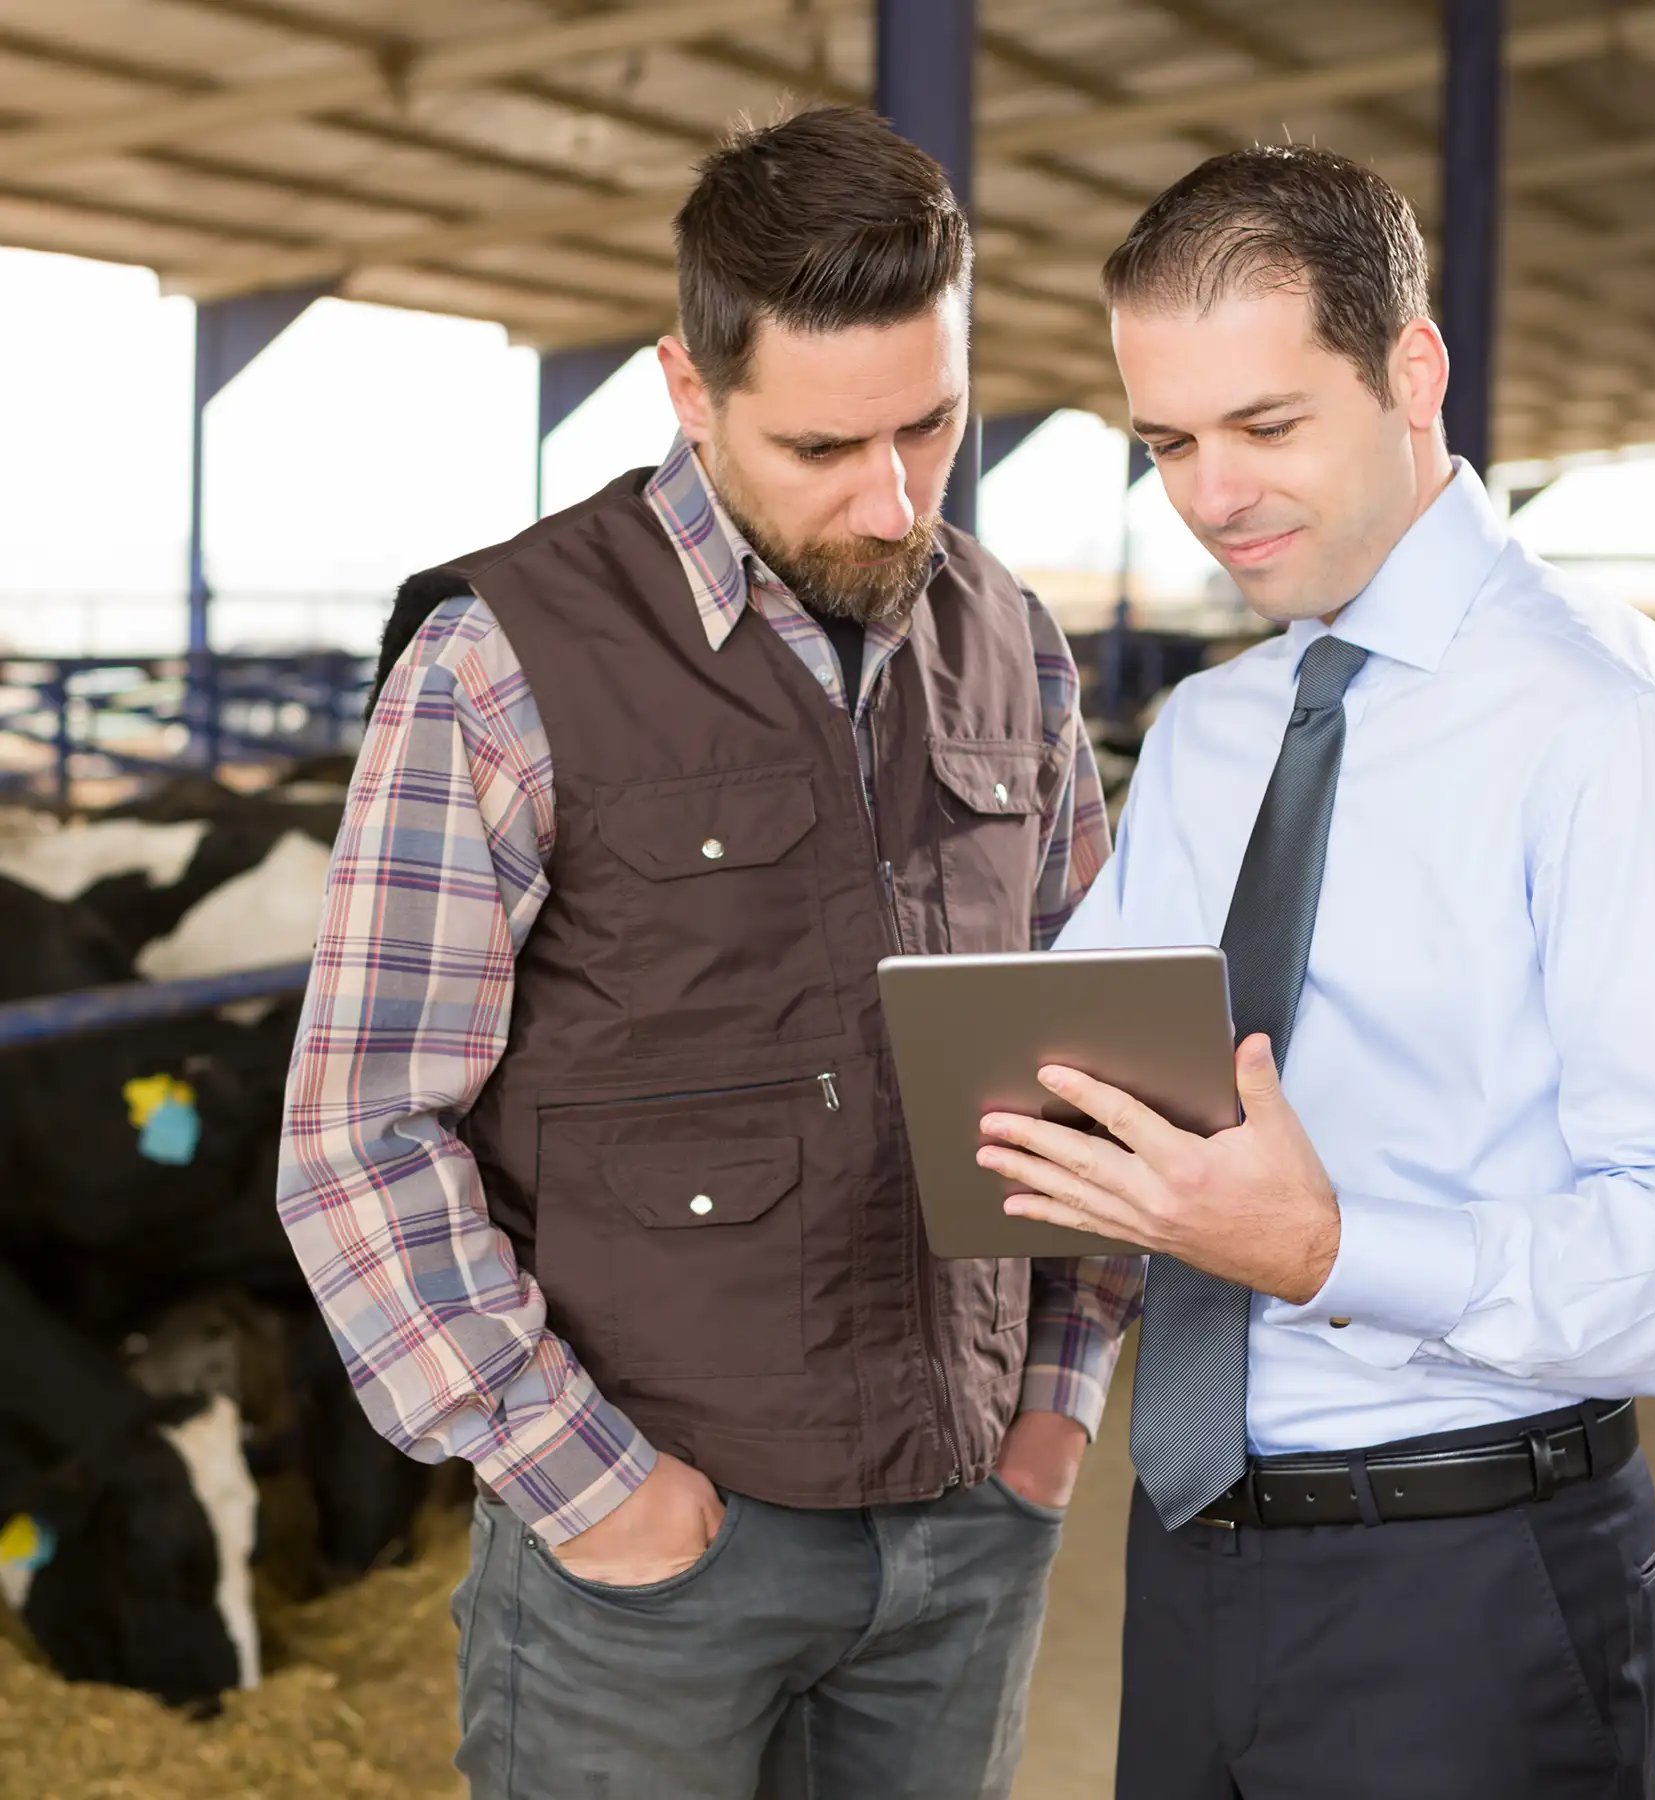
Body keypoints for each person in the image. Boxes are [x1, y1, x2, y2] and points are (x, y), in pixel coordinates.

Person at [276, 105, 1138, 1799]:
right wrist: (589, 1483)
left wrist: (1058, 1403)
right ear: (690, 388)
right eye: (825, 446)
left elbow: (1090, 1050)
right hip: (657, 1558)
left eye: (934, 425)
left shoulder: (1012, 645)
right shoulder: (500, 661)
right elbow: (356, 1138)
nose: (894, 500)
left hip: (966, 1535)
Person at [977, 144, 1655, 1800]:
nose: (1211, 495)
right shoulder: (1211, 736)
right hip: (1197, 1548)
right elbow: (1062, 1087)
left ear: (1414, 369)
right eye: (1170, 442)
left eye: (1267, 426)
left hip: (1474, 1583)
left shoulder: (1615, 734)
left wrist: (1335, 1246)